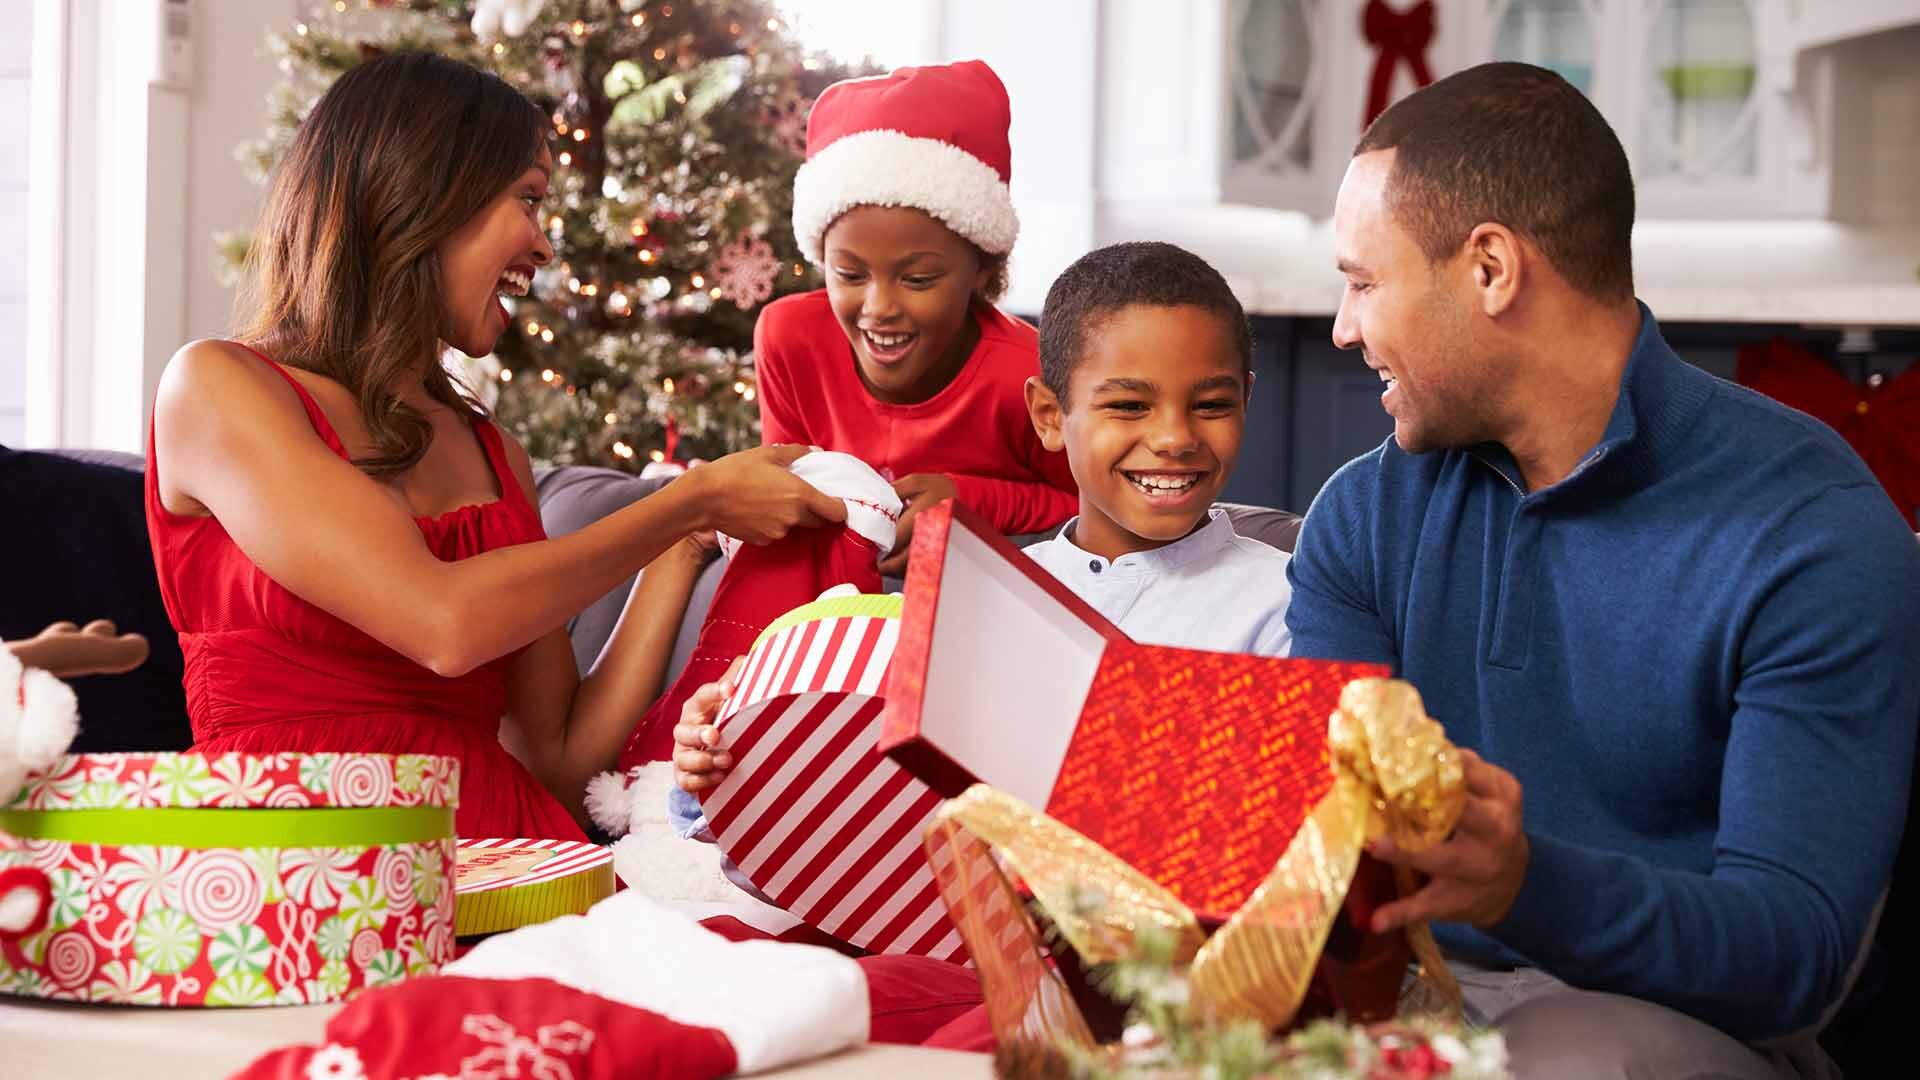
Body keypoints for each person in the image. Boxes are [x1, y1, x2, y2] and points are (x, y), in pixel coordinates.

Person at [1286, 61, 1920, 1077]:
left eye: (1364, 281)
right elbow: (1320, 855)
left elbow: (1794, 955)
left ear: (1491, 269)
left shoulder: (1812, 533)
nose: (1344, 328)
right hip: (1405, 1003)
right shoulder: (1364, 515)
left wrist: (1521, 885)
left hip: (1684, 1025)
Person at [147, 53, 843, 841]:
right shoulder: (219, 388)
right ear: (423, 194)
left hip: (512, 868)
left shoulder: (493, 453)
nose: (545, 248)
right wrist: (690, 501)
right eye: (529, 200)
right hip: (291, 880)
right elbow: (442, 622)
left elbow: (559, 758)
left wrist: (681, 542)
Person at [753, 59, 1077, 575]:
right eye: (849, 274)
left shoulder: (1028, 374)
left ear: (981, 266)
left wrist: (969, 503)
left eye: (918, 279)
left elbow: (1097, 508)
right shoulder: (788, 336)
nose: (879, 308)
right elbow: (783, 483)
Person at [1021, 240, 1291, 655]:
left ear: (1245, 401)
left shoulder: (1290, 608)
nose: (1175, 439)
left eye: (1212, 405)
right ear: (1049, 416)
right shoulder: (991, 597)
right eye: (1129, 406)